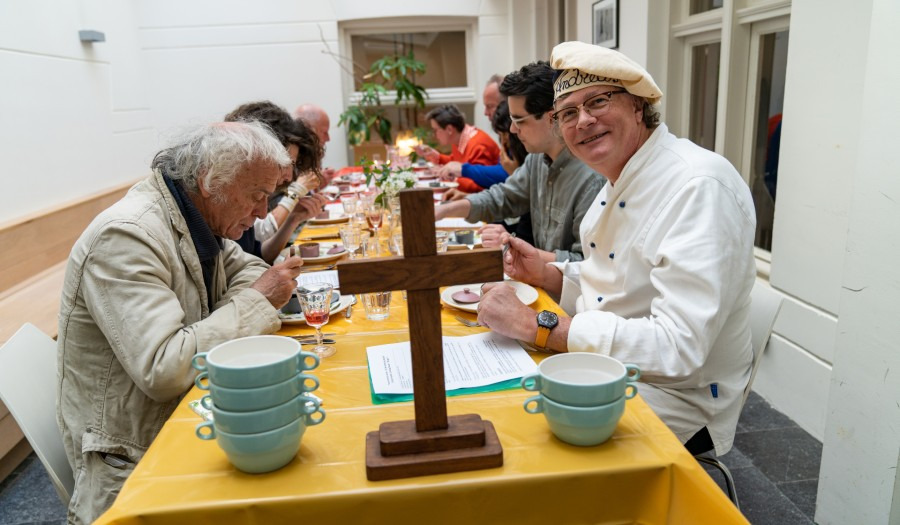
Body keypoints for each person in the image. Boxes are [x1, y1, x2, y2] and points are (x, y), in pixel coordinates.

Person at [478, 41, 757, 456]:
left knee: (517, 439)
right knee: (490, 407)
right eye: (568, 113)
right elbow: (613, 278)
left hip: (677, 397)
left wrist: (537, 326)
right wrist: (548, 273)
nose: (583, 121)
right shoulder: (621, 175)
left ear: (639, 107)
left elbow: (678, 347)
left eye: (598, 101)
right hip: (613, 369)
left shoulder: (698, 185)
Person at [56, 122, 304, 524]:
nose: (262, 212)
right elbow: (165, 368)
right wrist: (257, 301)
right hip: (133, 460)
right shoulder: (127, 236)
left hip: (190, 416)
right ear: (210, 181)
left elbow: (251, 268)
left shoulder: (200, 218)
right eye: (257, 195)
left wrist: (246, 298)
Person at [434, 61, 604, 263]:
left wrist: (512, 245)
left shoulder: (592, 179)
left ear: (552, 118)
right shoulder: (536, 160)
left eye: (519, 121)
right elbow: (503, 197)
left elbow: (585, 265)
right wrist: (444, 210)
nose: (513, 130)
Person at [225, 101, 327, 263]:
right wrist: (297, 190)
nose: (288, 175)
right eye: (287, 163)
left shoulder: (252, 194)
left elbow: (259, 257)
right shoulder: (230, 202)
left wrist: (294, 218)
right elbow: (265, 229)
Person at [436, 75, 511, 189]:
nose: (485, 113)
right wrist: (438, 158)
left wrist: (462, 170)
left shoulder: (478, 143)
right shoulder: (461, 141)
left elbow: (506, 175)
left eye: (490, 106)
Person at [414, 104, 500, 193]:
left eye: (435, 130)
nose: (434, 135)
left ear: (449, 129)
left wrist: (448, 177)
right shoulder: (460, 138)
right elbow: (455, 162)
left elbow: (479, 186)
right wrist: (434, 156)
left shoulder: (478, 145)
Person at [293, 103, 337, 184]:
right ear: (309, 131)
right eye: (324, 132)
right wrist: (298, 189)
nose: (328, 138)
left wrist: (317, 185)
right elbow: (280, 196)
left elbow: (304, 193)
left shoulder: (312, 152)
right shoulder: (286, 156)